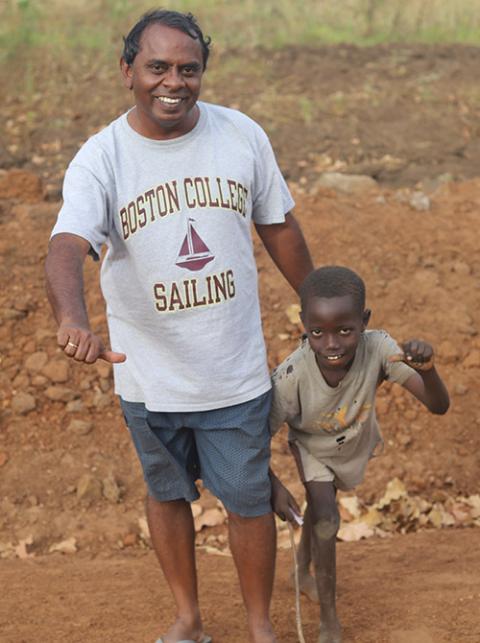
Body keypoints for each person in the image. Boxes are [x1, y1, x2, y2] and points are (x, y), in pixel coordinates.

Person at [44, 9, 313, 643]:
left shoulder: (241, 134)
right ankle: (189, 621)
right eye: (157, 67)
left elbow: (278, 226)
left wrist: (322, 303)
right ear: (127, 71)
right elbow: (67, 244)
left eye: (188, 69)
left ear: (202, 73)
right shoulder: (102, 158)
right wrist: (72, 320)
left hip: (232, 368)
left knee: (248, 502)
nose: (174, 81)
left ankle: (259, 628)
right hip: (148, 376)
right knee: (167, 496)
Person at [269, 265, 449, 643]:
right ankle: (329, 620)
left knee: (319, 511)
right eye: (317, 332)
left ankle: (301, 571)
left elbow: (438, 405)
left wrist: (428, 370)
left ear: (364, 321)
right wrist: (273, 485)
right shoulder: (290, 377)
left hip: (352, 442)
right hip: (311, 446)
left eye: (345, 330)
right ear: (303, 323)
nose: (331, 344)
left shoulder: (380, 348)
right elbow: (253, 439)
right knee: (327, 518)